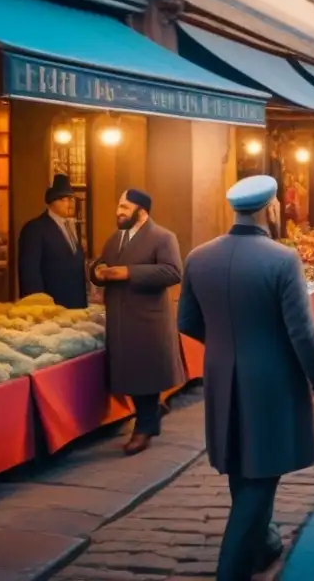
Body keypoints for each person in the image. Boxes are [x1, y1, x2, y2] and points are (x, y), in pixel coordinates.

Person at [177, 175, 314, 580]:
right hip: (272, 379)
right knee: (263, 471)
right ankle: (231, 569)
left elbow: (187, 321)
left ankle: (262, 545)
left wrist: (227, 345)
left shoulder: (198, 256)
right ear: (270, 208)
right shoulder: (281, 258)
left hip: (221, 374)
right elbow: (301, 330)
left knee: (242, 463)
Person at [90, 189, 184, 455]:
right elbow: (102, 266)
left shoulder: (163, 237)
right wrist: (96, 272)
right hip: (119, 318)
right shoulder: (115, 238)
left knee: (145, 375)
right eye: (119, 206)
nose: (118, 212)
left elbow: (172, 272)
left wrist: (129, 272)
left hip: (148, 319)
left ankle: (143, 428)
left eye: (124, 207)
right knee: (129, 374)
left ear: (141, 211)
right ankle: (151, 414)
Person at [17, 174, 87, 309]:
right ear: (54, 201)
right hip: (51, 307)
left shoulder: (72, 228)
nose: (71, 204)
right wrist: (38, 308)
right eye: (66, 199)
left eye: (72, 199)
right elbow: (30, 273)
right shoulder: (35, 229)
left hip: (76, 308)